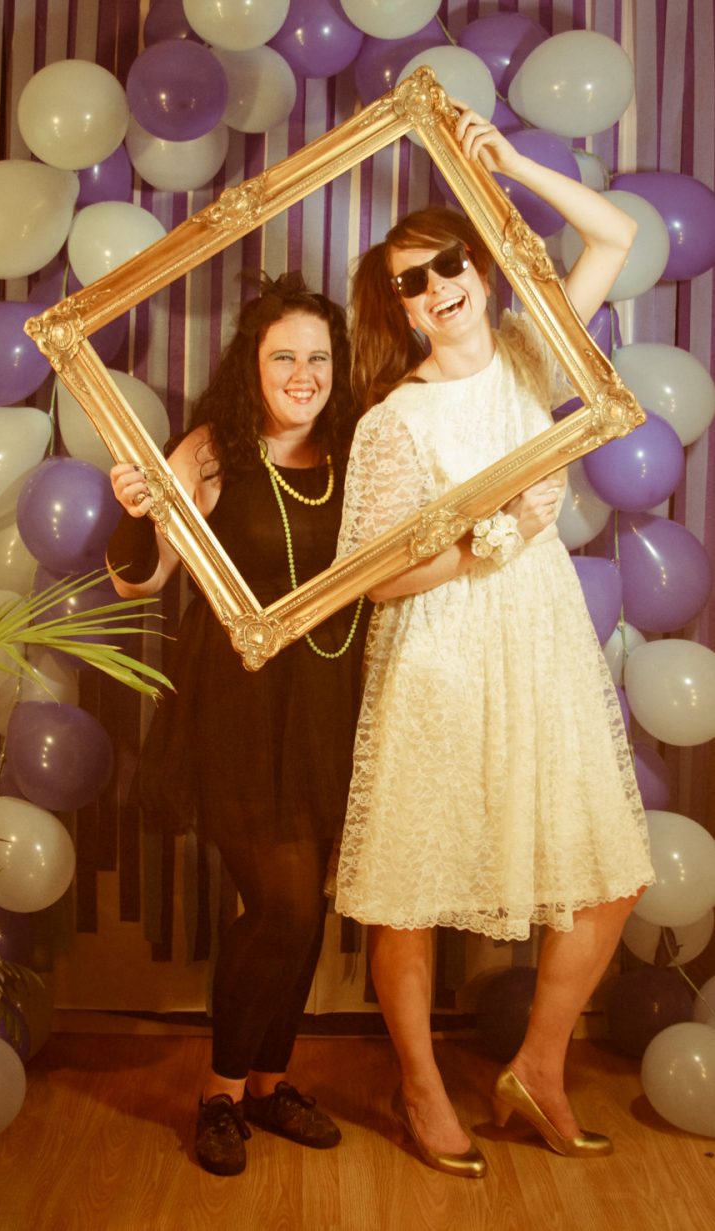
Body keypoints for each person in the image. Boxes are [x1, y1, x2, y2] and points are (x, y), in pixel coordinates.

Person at [331, 108, 655, 1179]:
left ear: (479, 263)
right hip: (438, 651)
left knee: (609, 872)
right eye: (412, 282)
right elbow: (373, 581)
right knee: (413, 886)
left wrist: (512, 167)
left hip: (542, 639)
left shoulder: (528, 353)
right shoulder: (392, 420)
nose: (437, 288)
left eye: (449, 263)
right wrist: (486, 541)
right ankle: (422, 1087)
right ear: (401, 307)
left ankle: (539, 1069)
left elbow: (614, 235)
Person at [106, 273, 368, 1177]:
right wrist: (137, 512)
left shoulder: (356, 453)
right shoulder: (212, 452)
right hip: (239, 708)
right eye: (283, 356)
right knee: (284, 904)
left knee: (306, 909)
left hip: (330, 704)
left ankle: (270, 1082)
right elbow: (139, 578)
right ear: (251, 365)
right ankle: (218, 1093)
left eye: (318, 357)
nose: (302, 374)